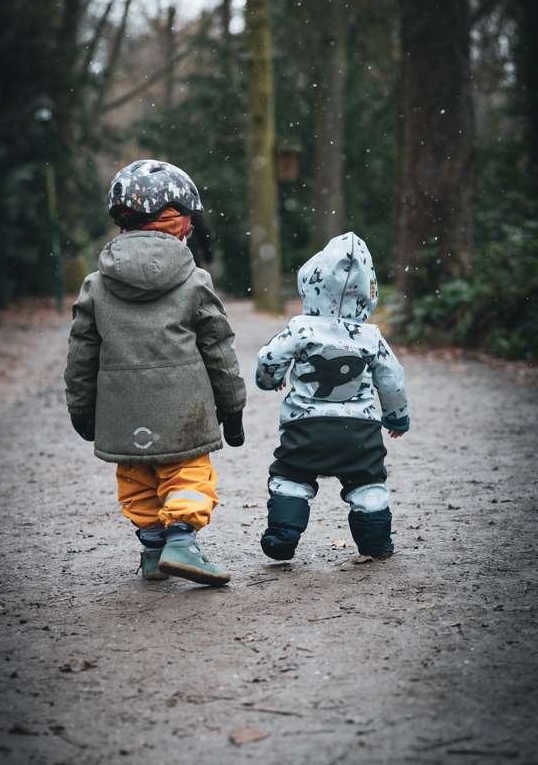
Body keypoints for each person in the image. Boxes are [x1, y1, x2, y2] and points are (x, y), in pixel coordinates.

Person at [64, 159, 246, 587]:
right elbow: (218, 348)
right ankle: (181, 541)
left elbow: (81, 354)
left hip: (122, 411)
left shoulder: (96, 284)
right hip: (184, 410)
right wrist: (232, 407)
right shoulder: (194, 280)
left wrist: (80, 408)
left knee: (136, 476)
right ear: (183, 223)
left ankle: (152, 549)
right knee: (188, 474)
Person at [255, 232, 409, 562]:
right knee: (367, 483)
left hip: (306, 427)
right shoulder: (372, 336)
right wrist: (396, 416)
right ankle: (375, 541)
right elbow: (391, 377)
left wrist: (271, 380)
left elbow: (269, 357)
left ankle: (283, 534)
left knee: (291, 475)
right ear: (369, 294)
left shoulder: (301, 328)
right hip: (360, 432)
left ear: (311, 283)